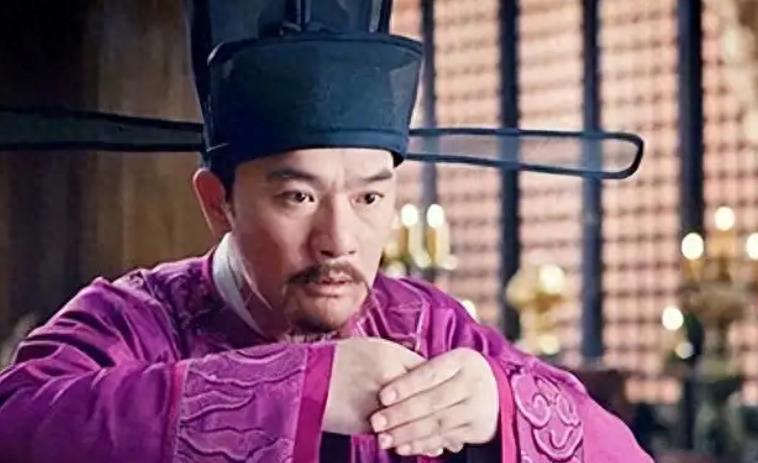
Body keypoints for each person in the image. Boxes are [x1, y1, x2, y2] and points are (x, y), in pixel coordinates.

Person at [0, 1, 651, 462]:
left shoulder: (428, 329)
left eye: (369, 196)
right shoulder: (131, 322)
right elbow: (17, 421)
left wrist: (498, 405)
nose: (339, 238)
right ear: (218, 202)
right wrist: (300, 387)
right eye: (298, 196)